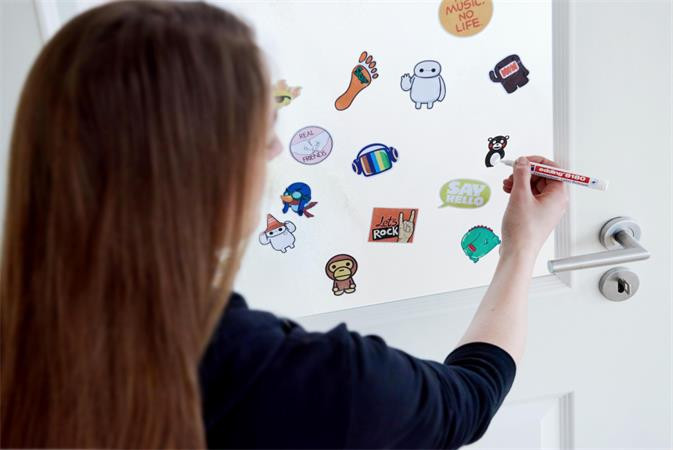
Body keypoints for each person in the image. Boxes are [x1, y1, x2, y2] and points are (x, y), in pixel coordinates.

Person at [0, 1, 568, 449]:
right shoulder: (292, 378)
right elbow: (469, 398)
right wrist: (521, 249)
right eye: (264, 125)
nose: (275, 149)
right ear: (200, 166)